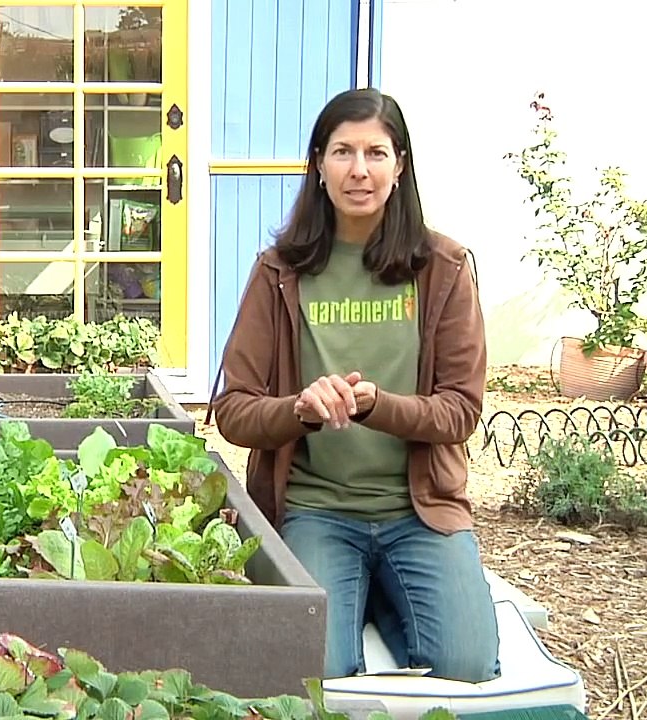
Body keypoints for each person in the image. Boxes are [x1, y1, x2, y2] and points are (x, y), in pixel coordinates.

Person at [209, 88, 500, 683]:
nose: (359, 170)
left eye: (376, 153)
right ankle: (353, 593)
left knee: (467, 663)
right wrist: (300, 409)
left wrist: (377, 406)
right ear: (318, 164)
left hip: (418, 513)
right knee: (318, 672)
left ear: (400, 166)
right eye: (342, 151)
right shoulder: (279, 271)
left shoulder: (442, 268)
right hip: (316, 510)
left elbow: (461, 410)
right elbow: (233, 410)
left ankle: (382, 596)